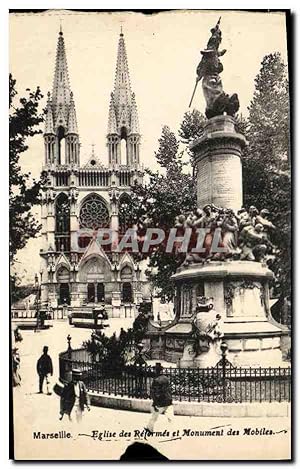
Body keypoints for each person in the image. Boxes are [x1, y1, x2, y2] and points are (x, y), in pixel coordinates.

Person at [145, 363, 173, 433]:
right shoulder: (166, 378)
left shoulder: (156, 380)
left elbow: (155, 393)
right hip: (168, 400)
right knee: (170, 417)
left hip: (160, 402)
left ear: (156, 371)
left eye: (155, 370)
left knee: (154, 416)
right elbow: (168, 390)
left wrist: (155, 403)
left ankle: (149, 429)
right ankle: (175, 431)